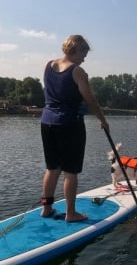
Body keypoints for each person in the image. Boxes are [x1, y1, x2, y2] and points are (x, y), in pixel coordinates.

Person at [40, 35, 109, 222]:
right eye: (83, 53)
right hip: (69, 124)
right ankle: (71, 214)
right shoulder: (77, 71)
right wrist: (103, 120)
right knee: (71, 171)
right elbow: (90, 99)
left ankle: (46, 209)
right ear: (76, 50)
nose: (84, 58)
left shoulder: (48, 65)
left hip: (47, 122)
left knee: (52, 168)